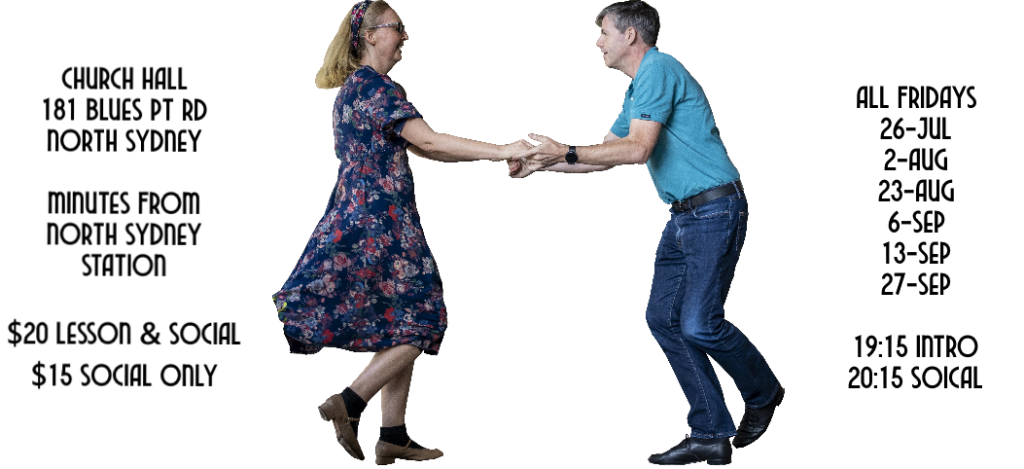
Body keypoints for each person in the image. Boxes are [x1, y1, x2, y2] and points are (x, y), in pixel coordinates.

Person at [510, 1, 783, 465]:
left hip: (715, 210)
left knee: (699, 322)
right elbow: (609, 153)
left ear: (630, 36)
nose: (598, 42)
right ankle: (710, 434)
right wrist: (544, 163)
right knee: (665, 319)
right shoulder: (639, 88)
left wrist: (566, 151)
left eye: (604, 32)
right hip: (683, 218)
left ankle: (764, 390)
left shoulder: (659, 69)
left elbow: (638, 151)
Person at [273, 1, 530, 464]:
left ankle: (392, 433)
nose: (405, 37)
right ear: (371, 36)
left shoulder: (354, 90)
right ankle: (349, 402)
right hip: (381, 224)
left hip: (358, 218)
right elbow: (429, 139)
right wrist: (502, 148)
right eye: (398, 28)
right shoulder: (377, 88)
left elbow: (429, 149)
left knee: (401, 318)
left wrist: (489, 158)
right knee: (425, 317)